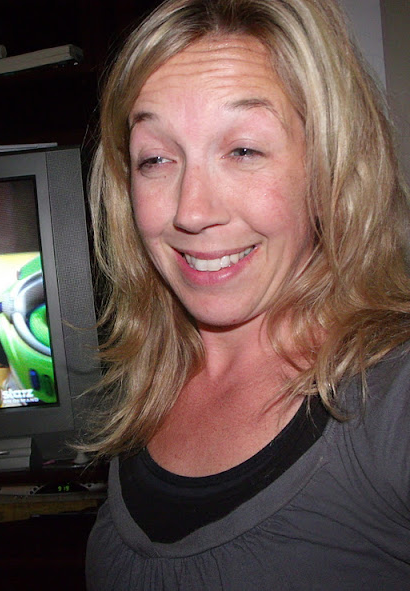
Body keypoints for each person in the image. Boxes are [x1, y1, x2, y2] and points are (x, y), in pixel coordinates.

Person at [84, 0, 410, 588]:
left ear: (329, 165)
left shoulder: (394, 397)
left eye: (243, 151)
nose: (191, 211)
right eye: (156, 158)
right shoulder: (147, 386)